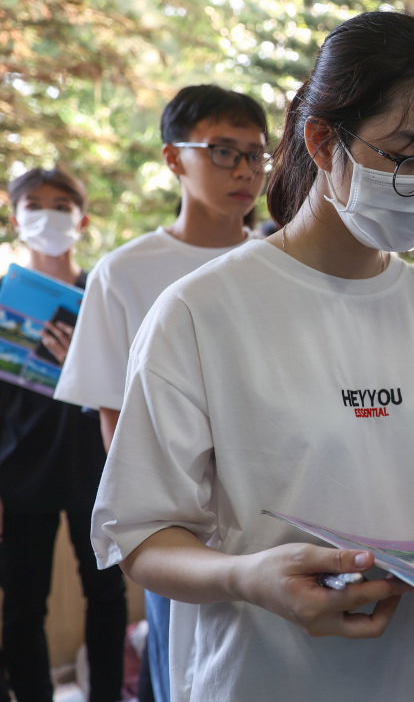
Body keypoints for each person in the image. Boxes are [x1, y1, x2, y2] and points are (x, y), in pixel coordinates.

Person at [89, 11, 414, 702]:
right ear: (324, 141)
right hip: (266, 676)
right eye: (406, 155)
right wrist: (248, 577)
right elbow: (143, 535)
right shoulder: (200, 311)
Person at [54, 84, 269, 702]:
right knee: (190, 679)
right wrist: (162, 530)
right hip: (182, 532)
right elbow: (115, 417)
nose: (246, 171)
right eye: (224, 151)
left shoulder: (277, 263)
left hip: (272, 514)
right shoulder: (124, 272)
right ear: (175, 158)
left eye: (256, 154)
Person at [0, 168, 127, 702]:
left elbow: (129, 387)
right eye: (35, 204)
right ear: (15, 217)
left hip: (94, 468)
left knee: (106, 591)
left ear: (83, 220)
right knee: (24, 605)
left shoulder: (104, 294)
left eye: (61, 204)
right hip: (18, 473)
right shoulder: (4, 296)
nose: (48, 215)